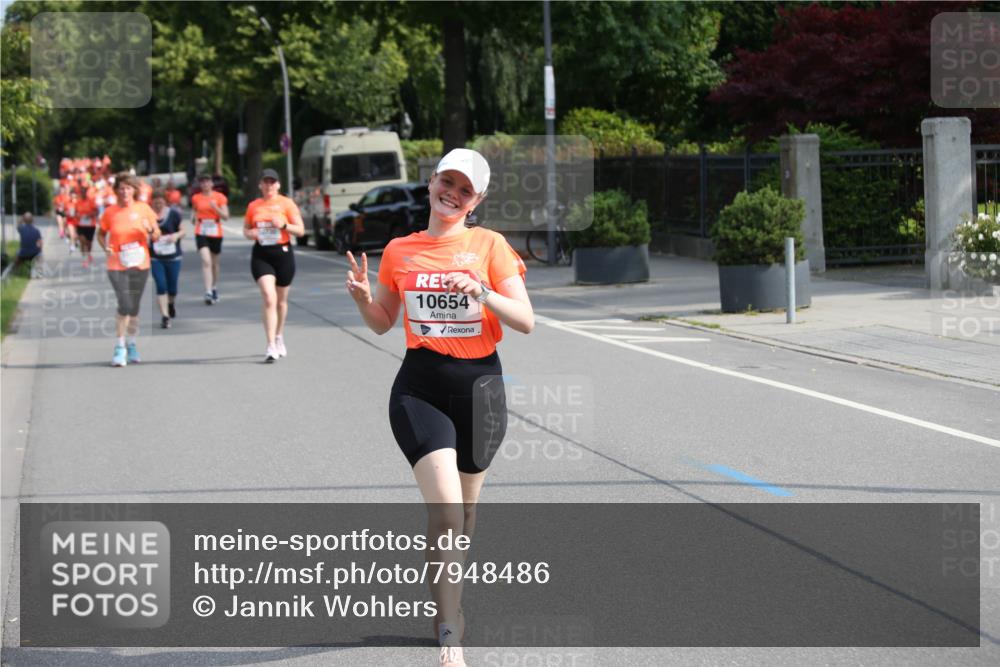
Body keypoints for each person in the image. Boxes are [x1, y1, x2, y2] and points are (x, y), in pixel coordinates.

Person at [345, 149, 533, 666]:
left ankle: (450, 599)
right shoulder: (399, 250)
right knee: (447, 510)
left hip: (480, 392)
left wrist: (482, 291)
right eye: (446, 182)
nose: (452, 193)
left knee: (465, 513)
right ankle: (450, 633)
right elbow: (383, 322)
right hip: (419, 388)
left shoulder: (489, 245)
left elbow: (525, 320)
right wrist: (363, 299)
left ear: (477, 200)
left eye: (464, 189)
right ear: (431, 183)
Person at [98, 172, 160, 367]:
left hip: (140, 263)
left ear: (134, 190)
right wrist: (105, 247)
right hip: (116, 264)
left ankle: (131, 344)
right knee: (124, 304)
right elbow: (101, 234)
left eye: (128, 188)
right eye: (121, 188)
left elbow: (157, 235)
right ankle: (119, 347)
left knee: (133, 307)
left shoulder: (144, 209)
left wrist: (150, 229)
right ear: (116, 191)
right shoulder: (110, 212)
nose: (124, 192)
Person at [243, 168, 305, 362]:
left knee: (281, 301)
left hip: (283, 254)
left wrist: (284, 225)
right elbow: (246, 229)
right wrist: (250, 233)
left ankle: (279, 335)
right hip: (262, 255)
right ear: (260, 185)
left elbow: (301, 230)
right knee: (269, 298)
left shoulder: (287, 204)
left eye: (272, 182)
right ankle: (270, 345)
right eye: (265, 182)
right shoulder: (254, 206)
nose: (269, 185)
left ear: (278, 185)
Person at [149, 190, 186, 329]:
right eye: (155, 203)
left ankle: (171, 304)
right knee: (160, 285)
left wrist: (176, 235)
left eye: (160, 202)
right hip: (155, 257)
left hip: (173, 256)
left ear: (165, 202)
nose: (158, 205)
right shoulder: (148, 216)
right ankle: (165, 316)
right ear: (151, 202)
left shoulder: (174, 214)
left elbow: (183, 230)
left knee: (172, 288)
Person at [191, 173, 229, 304]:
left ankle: (213, 287)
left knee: (214, 264)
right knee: (206, 261)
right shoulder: (196, 197)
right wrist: (193, 218)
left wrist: (215, 207)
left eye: (207, 181)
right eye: (202, 182)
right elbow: (194, 211)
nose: (205, 184)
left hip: (215, 232)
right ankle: (208, 292)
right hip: (201, 231)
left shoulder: (219, 197)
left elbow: (226, 216)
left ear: (212, 184)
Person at [75, 188, 99, 269]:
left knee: (89, 242)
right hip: (80, 225)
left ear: (86, 193)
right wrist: (77, 215)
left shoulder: (91, 201)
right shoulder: (77, 202)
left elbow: (96, 211)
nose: (82, 194)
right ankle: (84, 258)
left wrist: (89, 215)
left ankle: (88, 254)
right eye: (81, 192)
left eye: (84, 192)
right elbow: (75, 212)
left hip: (90, 225)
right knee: (82, 241)